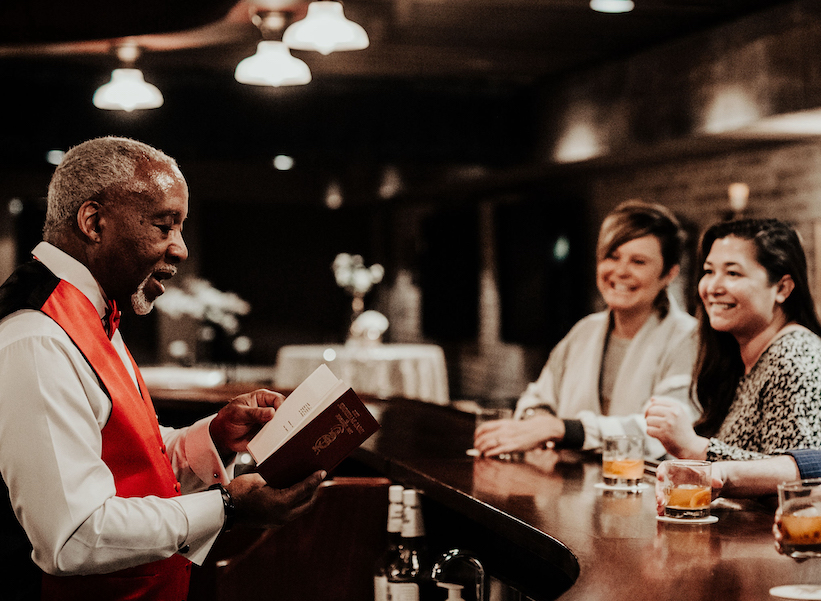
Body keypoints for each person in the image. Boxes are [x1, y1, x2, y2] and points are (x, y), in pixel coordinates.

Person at [0, 137, 325, 601]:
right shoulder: (37, 334)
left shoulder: (90, 309)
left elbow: (125, 461)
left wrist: (210, 437)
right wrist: (229, 507)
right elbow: (73, 536)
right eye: (164, 226)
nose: (181, 249)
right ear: (94, 222)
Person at [474, 200, 699, 460]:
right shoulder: (585, 330)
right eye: (611, 257)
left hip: (644, 490)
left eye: (638, 261)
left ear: (669, 274)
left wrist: (562, 429)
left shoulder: (687, 337)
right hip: (570, 488)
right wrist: (539, 423)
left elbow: (663, 433)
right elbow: (536, 399)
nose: (620, 271)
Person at [645, 218, 821, 462]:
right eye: (709, 271)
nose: (713, 287)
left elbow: (800, 484)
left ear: (782, 288)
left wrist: (694, 447)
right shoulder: (741, 358)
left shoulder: (794, 355)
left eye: (733, 273)